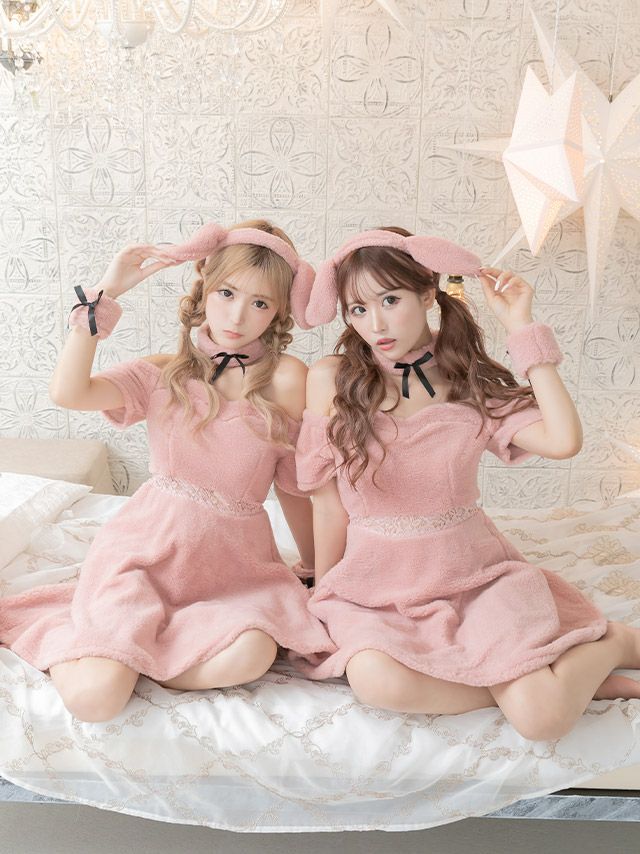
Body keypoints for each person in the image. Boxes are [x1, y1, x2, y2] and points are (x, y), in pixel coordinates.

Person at [290, 226, 640, 742]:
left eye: (390, 300)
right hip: (376, 584)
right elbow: (327, 501)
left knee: (542, 721)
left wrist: (522, 327)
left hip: (473, 576)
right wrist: (325, 588)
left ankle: (611, 645)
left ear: (427, 293)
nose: (376, 324)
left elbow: (564, 440)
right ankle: (571, 682)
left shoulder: (467, 379)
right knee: (377, 682)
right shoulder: (331, 379)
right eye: (358, 309)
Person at [0, 219, 336, 722]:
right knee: (94, 701)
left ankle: (135, 656)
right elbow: (68, 392)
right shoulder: (165, 371)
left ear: (280, 311)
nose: (237, 316)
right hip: (146, 551)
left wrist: (317, 573)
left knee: (252, 654)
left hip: (234, 568)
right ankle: (98, 647)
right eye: (227, 293)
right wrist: (106, 293)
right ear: (204, 286)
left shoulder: (288, 379)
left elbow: (294, 487)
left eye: (260, 303)